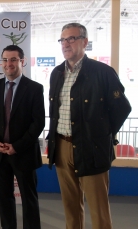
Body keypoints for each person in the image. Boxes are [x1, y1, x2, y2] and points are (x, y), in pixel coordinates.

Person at [47, 22, 132, 229]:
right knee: (70, 206)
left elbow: (122, 108)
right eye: (63, 39)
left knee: (98, 210)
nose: (66, 43)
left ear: (85, 42)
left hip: (91, 147)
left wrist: (102, 134)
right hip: (62, 146)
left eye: (71, 38)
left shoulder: (102, 72)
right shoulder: (57, 73)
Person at [0, 45, 45, 229]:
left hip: (23, 154)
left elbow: (38, 123)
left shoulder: (34, 88)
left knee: (29, 200)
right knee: (4, 199)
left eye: (13, 59)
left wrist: (17, 146)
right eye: (5, 59)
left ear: (22, 61)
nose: (9, 64)